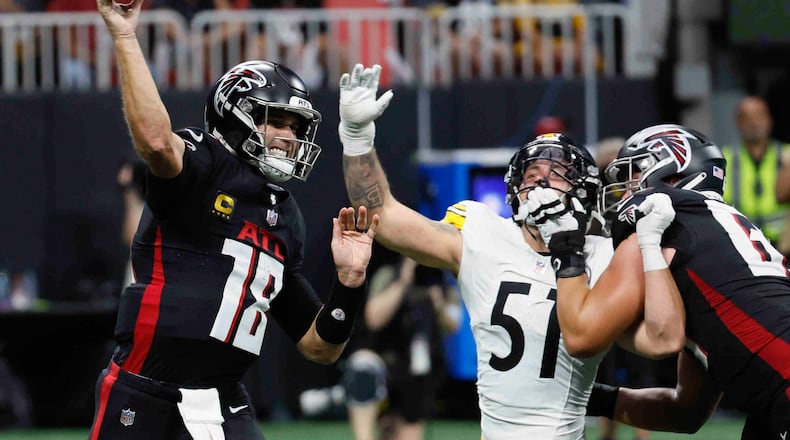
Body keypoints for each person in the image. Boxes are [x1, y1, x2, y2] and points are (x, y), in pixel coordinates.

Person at [337, 63, 681, 438]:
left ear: (583, 192)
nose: (542, 184)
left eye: (557, 175)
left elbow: (660, 340)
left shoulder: (604, 255)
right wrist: (357, 139)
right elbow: (381, 216)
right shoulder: (484, 233)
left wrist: (647, 247)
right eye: (532, 176)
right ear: (514, 190)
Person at [90, 1, 380, 438]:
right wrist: (126, 36)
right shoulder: (205, 164)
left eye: (297, 127)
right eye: (276, 120)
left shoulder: (284, 216)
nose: (289, 137)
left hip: (225, 401)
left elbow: (320, 348)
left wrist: (350, 283)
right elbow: (154, 142)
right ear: (235, 115)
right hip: (147, 391)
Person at [532, 123, 790, 439]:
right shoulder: (716, 234)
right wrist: (591, 397)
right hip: (775, 396)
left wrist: (565, 248)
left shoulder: (665, 221)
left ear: (671, 172)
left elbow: (582, 336)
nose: (627, 192)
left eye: (635, 175)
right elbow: (685, 411)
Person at [344, 256, 460, 440]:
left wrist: (437, 300)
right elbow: (374, 319)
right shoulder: (389, 275)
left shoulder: (440, 280)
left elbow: (453, 324)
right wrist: (402, 282)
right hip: (386, 364)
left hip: (420, 371)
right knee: (362, 366)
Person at [723, 96, 790, 253]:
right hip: (741, 246)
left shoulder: (787, 155)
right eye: (747, 117)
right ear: (738, 123)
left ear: (770, 120)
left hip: (783, 247)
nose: (754, 123)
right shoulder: (724, 159)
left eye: (760, 115)